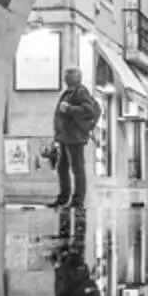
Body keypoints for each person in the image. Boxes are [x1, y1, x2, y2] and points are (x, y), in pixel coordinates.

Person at [50, 66, 101, 208]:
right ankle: (63, 197)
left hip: (75, 137)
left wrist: (69, 109)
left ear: (77, 77)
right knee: (62, 167)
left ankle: (78, 200)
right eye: (66, 75)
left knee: (77, 169)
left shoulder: (81, 91)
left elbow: (89, 110)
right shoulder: (68, 92)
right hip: (65, 137)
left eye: (69, 75)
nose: (65, 77)